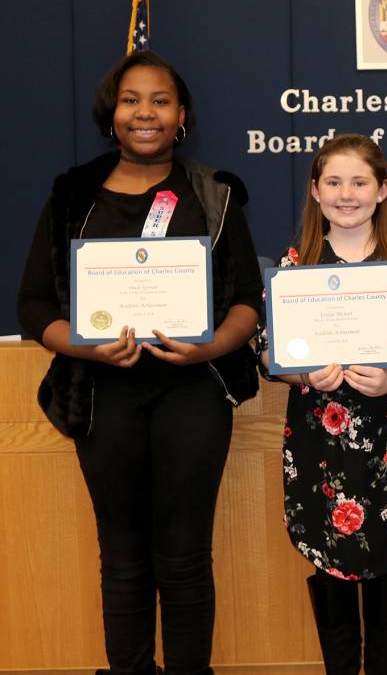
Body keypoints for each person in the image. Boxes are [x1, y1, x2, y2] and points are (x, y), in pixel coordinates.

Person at [16, 51, 262, 675]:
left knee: (184, 555)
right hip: (102, 394)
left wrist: (210, 346)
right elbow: (34, 303)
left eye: (159, 100)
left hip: (194, 392)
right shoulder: (74, 193)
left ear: (181, 115)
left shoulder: (215, 192)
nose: (144, 112)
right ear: (112, 111)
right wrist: (81, 343)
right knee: (122, 556)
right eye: (131, 99)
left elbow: (246, 303)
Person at [257, 134, 387, 675]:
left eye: (359, 182)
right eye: (333, 182)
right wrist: (303, 371)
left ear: (382, 190)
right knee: (329, 558)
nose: (346, 193)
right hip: (319, 441)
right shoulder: (295, 261)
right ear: (315, 191)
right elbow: (268, 353)